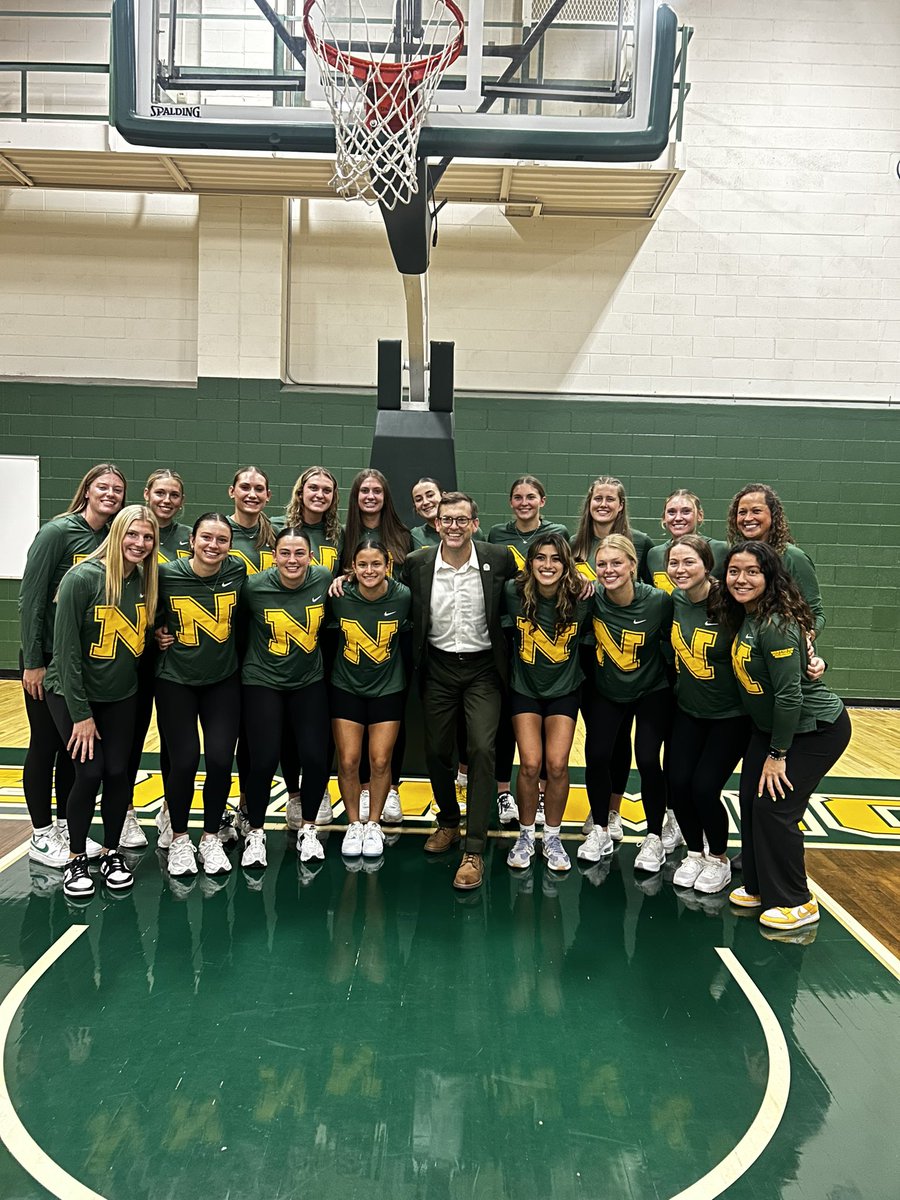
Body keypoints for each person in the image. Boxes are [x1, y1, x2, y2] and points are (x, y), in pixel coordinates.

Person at [714, 541, 851, 931]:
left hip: (813, 730)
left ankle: (797, 901)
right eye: (734, 571)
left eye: (752, 572)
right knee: (752, 802)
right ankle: (758, 886)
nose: (741, 579)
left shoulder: (776, 624)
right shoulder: (749, 615)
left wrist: (778, 753)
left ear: (769, 577)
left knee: (777, 809)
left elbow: (790, 696)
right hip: (772, 729)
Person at [43, 505, 158, 899]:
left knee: (117, 774)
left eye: (147, 537)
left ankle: (110, 852)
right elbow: (66, 654)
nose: (139, 544)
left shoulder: (145, 582)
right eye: (132, 535)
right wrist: (81, 716)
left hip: (121, 695)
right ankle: (76, 857)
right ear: (116, 534)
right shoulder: (82, 578)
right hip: (73, 695)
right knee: (88, 773)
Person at [405, 491, 518, 890]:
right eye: (446, 520)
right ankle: (449, 822)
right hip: (437, 667)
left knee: (483, 749)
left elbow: (532, 586)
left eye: (461, 520)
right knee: (436, 750)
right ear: (436, 524)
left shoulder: (498, 558)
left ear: (474, 523)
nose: (453, 526)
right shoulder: (417, 563)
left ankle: (474, 846)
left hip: (484, 669)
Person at [19, 463, 127, 869]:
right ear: (87, 489)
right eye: (103, 486)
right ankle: (41, 832)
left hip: (82, 662)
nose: (111, 494)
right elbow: (31, 599)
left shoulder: (112, 537)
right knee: (45, 743)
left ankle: (65, 823)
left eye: (118, 490)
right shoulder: (57, 532)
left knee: (72, 751)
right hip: (46, 661)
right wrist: (33, 661)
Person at [154, 513, 246, 879]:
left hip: (222, 680)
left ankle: (210, 836)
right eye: (206, 537)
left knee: (222, 760)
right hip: (176, 679)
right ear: (192, 540)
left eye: (222, 539)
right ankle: (178, 837)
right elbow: (142, 612)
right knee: (185, 760)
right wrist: (156, 634)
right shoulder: (166, 574)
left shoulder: (237, 572)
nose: (213, 545)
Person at [579, 535, 674, 874]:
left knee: (648, 758)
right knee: (598, 756)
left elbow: (671, 642)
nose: (608, 571)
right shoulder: (591, 598)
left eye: (616, 563)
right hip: (608, 689)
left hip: (651, 690)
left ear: (633, 565)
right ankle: (601, 830)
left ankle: (653, 836)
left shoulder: (659, 602)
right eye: (602, 564)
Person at [240, 529, 332, 869]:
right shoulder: (253, 587)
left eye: (299, 553)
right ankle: (256, 832)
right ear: (274, 556)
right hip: (262, 680)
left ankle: (308, 829)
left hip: (308, 679)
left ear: (310, 556)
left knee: (315, 757)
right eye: (285, 553)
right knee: (264, 760)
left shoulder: (323, 578)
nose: (292, 560)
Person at [572, 477, 656, 844]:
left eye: (610, 499)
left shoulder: (641, 543)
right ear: (588, 503)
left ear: (621, 505)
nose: (603, 504)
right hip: (593, 656)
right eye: (597, 498)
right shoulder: (574, 546)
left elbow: (650, 598)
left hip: (637, 657)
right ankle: (600, 810)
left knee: (625, 738)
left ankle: (612, 811)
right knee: (602, 737)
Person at [664, 536, 749, 895]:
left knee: (704, 788)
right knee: (677, 784)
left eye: (688, 563)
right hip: (689, 709)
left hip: (730, 715)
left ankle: (718, 858)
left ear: (707, 565)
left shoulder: (732, 604)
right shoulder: (675, 601)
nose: (680, 570)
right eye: (673, 563)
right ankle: (695, 854)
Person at [504, 534, 592, 874]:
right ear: (530, 563)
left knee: (556, 765)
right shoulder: (513, 593)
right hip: (524, 688)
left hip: (564, 690)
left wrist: (591, 585)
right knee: (529, 764)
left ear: (566, 564)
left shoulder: (580, 597)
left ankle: (552, 836)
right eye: (540, 558)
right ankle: (526, 835)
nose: (548, 565)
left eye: (556, 559)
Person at [488, 475, 570, 824]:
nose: (524, 502)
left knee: (554, 758)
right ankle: (507, 796)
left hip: (555, 650)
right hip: (516, 638)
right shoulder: (497, 537)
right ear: (510, 502)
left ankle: (542, 803)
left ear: (542, 500)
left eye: (531, 496)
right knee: (514, 735)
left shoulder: (559, 535)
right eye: (517, 496)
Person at [329, 541, 411, 861]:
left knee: (380, 760)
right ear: (352, 567)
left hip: (388, 688)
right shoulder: (339, 596)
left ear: (387, 565)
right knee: (349, 760)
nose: (369, 571)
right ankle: (354, 824)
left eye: (376, 564)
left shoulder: (402, 596)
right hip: (346, 686)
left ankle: (374, 824)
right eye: (362, 565)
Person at [340, 469, 412, 824]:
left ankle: (387, 794)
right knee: (348, 756)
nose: (370, 496)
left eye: (376, 490)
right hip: (350, 659)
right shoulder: (344, 534)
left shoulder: (402, 536)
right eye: (363, 490)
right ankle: (354, 814)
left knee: (383, 753)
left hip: (388, 656)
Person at [125, 467, 190, 851]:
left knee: (173, 739)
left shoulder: (187, 539)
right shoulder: (128, 532)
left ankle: (170, 808)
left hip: (169, 655)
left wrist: (165, 627)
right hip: (129, 651)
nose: (167, 501)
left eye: (174, 495)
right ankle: (127, 811)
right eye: (160, 493)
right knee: (129, 737)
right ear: (147, 493)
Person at [281, 465, 345, 828]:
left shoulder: (339, 534)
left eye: (327, 490)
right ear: (300, 491)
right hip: (284, 636)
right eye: (313, 488)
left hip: (327, 636)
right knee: (288, 726)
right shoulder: (277, 528)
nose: (319, 495)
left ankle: (318, 791)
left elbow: (353, 570)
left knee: (320, 722)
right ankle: (294, 794)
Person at [725, 484, 825, 636]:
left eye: (756, 511)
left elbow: (816, 613)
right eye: (742, 512)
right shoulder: (736, 557)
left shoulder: (793, 557)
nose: (748, 518)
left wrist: (806, 639)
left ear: (773, 515)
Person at [646, 490, 728, 595]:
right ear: (664, 518)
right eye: (671, 512)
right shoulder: (654, 554)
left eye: (686, 511)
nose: (678, 518)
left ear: (700, 515)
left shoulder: (721, 550)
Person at [226, 465, 277, 574]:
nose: (252, 495)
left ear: (268, 495)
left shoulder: (276, 534)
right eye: (245, 487)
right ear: (232, 491)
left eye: (259, 489)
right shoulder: (219, 531)